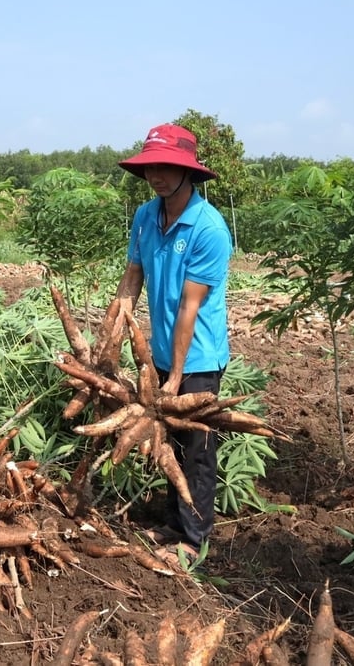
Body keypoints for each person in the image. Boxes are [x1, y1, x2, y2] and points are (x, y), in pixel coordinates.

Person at [113, 123, 233, 564]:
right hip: (161, 353)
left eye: (166, 167)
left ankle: (194, 538)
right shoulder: (146, 216)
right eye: (150, 168)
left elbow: (190, 308)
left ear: (188, 172)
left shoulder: (209, 229)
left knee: (197, 449)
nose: (157, 176)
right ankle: (173, 521)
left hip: (198, 357)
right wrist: (117, 322)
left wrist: (178, 376)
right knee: (167, 443)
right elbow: (134, 274)